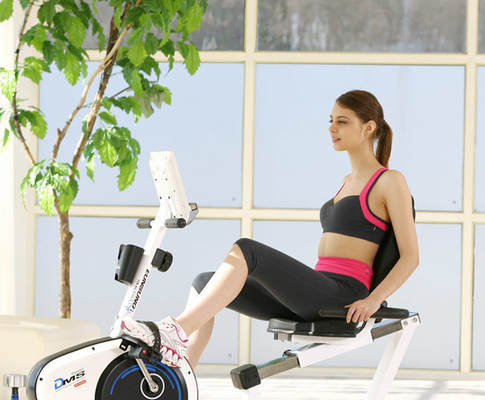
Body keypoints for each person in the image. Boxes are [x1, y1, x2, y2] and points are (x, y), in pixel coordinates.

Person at [121, 90, 419, 370]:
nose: (332, 128)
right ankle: (181, 374)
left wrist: (373, 300)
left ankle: (175, 331)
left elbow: (410, 256)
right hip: (318, 291)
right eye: (331, 120)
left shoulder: (389, 181)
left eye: (342, 121)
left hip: (342, 296)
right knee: (203, 283)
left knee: (247, 251)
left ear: (368, 128)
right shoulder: (346, 182)